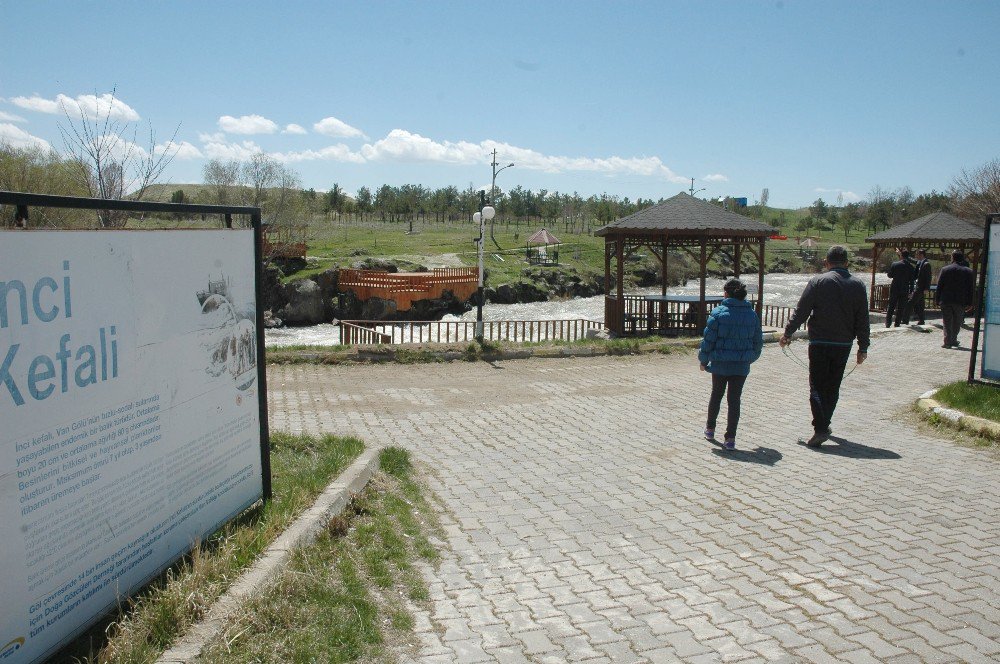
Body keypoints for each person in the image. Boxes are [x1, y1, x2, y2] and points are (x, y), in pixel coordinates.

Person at [779, 245, 869, 447]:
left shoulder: (817, 282)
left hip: (819, 342)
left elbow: (801, 311)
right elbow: (863, 319)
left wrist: (787, 333)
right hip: (843, 344)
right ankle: (824, 425)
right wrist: (863, 347)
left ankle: (820, 429)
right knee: (833, 386)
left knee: (817, 386)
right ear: (846, 263)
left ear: (827, 263)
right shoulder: (858, 285)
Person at [698, 279, 763, 450]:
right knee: (734, 400)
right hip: (741, 366)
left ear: (726, 293)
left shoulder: (718, 313)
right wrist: (749, 358)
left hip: (720, 363)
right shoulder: (752, 315)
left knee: (716, 395)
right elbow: (758, 342)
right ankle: (730, 438)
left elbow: (708, 340)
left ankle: (710, 429)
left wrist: (704, 361)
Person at [935, 250, 975, 348]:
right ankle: (953, 339)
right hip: (960, 301)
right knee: (957, 321)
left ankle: (948, 341)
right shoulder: (968, 271)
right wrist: (970, 302)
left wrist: (937, 300)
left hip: (946, 300)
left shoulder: (945, 269)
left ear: (952, 258)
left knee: (947, 321)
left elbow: (939, 286)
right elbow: (971, 289)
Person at [885, 249, 916, 327]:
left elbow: (890, 275)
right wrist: (911, 291)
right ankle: (897, 323)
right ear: (908, 256)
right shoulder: (911, 267)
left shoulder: (895, 264)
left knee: (891, 305)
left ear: (901, 255)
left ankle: (888, 322)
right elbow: (912, 281)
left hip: (895, 288)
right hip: (905, 289)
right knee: (901, 307)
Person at [909, 249, 932, 326]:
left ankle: (904, 318)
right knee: (920, 304)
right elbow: (913, 261)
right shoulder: (920, 262)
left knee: (911, 302)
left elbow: (928, 277)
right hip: (918, 286)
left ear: (921, 255)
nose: (915, 256)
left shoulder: (926, 264)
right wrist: (902, 255)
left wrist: (926, 288)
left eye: (917, 254)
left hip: (921, 287)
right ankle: (921, 320)